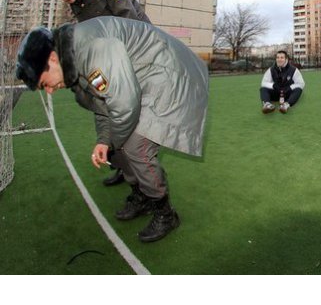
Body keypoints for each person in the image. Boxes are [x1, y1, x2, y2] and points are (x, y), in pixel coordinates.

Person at [15, 17, 209, 242]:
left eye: (44, 83)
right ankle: (142, 196)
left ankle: (165, 213)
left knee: (136, 147)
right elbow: (103, 104)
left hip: (170, 73)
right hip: (143, 81)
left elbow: (125, 104)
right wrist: (104, 140)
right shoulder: (72, 62)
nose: (49, 91)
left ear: (52, 58)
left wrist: (112, 142)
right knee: (116, 147)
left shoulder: (91, 51)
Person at [45, 0, 151, 186]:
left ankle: (146, 189)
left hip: (137, 56)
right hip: (113, 62)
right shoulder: (76, 4)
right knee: (106, 110)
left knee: (131, 122)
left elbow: (130, 20)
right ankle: (124, 169)